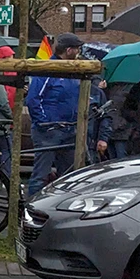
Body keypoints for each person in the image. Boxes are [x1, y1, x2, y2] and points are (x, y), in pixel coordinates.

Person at [26, 32, 83, 196]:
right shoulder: (48, 70)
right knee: (40, 175)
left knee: (69, 177)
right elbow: (33, 99)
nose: (79, 53)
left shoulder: (72, 71)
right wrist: (45, 124)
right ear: (69, 50)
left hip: (68, 130)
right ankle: (29, 211)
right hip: (49, 131)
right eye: (77, 49)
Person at [86, 78, 114, 163]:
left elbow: (105, 117)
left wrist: (103, 138)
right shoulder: (63, 90)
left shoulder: (96, 92)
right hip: (66, 142)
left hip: (90, 143)